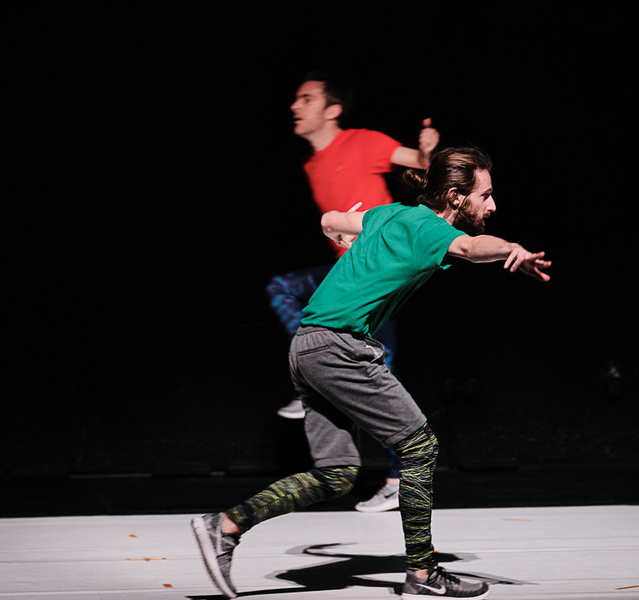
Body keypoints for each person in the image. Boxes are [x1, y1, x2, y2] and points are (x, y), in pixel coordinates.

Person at [192, 146, 551, 599]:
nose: (493, 205)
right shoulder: (429, 228)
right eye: (486, 195)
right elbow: (470, 247)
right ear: (456, 197)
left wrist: (341, 232)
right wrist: (511, 249)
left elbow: (330, 220)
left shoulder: (390, 215)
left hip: (307, 345)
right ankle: (422, 574)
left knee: (336, 473)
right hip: (339, 349)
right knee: (420, 446)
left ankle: (224, 526)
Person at [267, 72, 438, 512]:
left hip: (380, 273)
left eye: (306, 99)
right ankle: (318, 373)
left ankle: (399, 478)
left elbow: (420, 162)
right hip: (348, 276)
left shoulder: (363, 142)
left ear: (333, 110)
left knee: (381, 371)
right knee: (284, 289)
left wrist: (428, 149)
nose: (295, 106)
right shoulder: (312, 164)